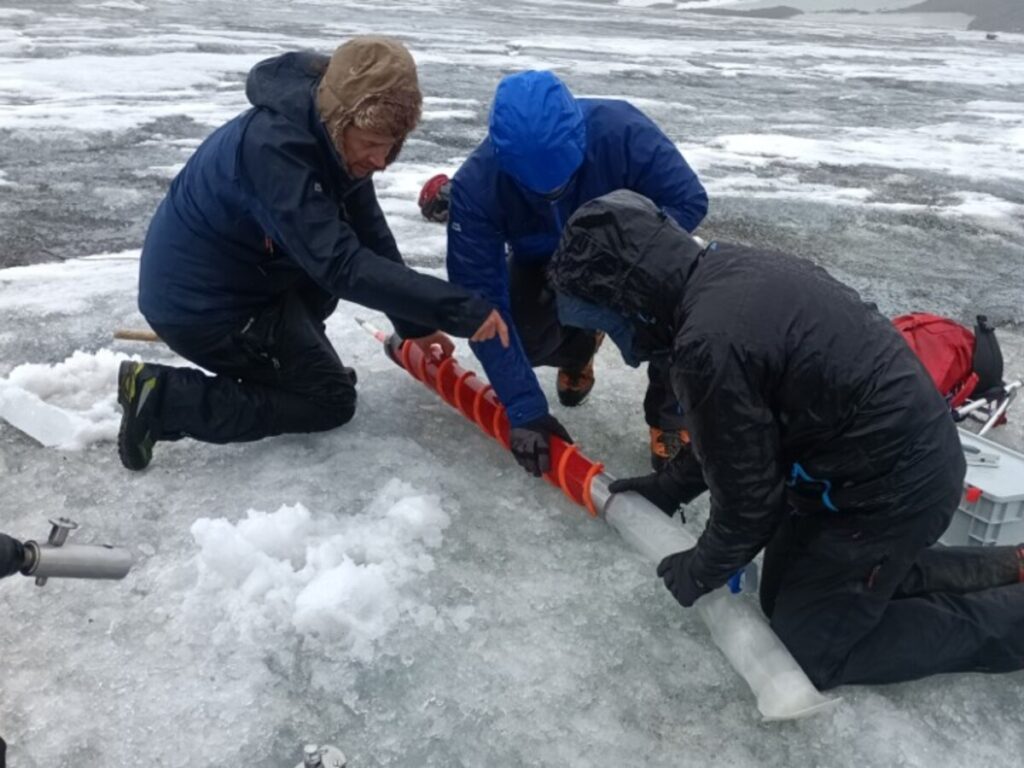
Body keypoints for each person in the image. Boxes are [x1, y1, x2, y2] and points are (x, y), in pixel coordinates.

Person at [548, 189, 1024, 689]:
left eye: (610, 323)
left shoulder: (708, 343)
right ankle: (1006, 564)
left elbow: (750, 506)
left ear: (634, 297)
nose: (624, 351)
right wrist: (669, 489)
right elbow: (733, 438)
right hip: (854, 473)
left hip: (893, 491)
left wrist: (701, 568)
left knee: (811, 649)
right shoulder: (721, 277)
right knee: (786, 598)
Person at [120, 37, 508, 471]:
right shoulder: (273, 150)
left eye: (393, 143)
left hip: (247, 277)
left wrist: (414, 325)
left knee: (327, 272)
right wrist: (461, 309)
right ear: (340, 119)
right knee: (329, 400)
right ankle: (163, 397)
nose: (381, 160)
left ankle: (289, 364)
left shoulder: (334, 135)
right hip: (200, 307)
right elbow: (342, 265)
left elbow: (370, 234)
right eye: (373, 142)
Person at [445, 70, 708, 477]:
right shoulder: (476, 186)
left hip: (629, 255)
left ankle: (668, 416)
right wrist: (524, 408)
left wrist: (620, 255)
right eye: (539, 191)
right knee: (522, 335)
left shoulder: (621, 130)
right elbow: (479, 304)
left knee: (682, 298)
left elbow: (689, 200)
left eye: (560, 184)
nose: (551, 197)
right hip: (545, 265)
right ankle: (579, 348)